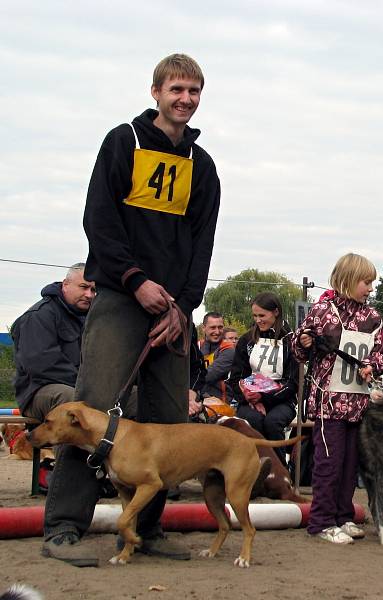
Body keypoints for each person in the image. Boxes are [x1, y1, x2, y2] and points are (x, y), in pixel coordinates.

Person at [42, 54, 221, 567]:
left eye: (193, 92)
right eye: (176, 90)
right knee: (90, 410)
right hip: (122, 298)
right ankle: (63, 527)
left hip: (172, 311)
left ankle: (148, 527)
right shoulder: (124, 141)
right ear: (155, 92)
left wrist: (183, 307)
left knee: (169, 420)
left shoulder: (203, 166)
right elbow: (99, 219)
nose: (184, 99)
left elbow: (202, 243)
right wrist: (134, 281)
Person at [292, 253, 383, 544]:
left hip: (358, 403)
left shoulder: (372, 317)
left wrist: (373, 364)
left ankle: (343, 516)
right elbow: (298, 349)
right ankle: (321, 521)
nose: (370, 289)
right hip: (328, 402)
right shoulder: (322, 311)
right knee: (329, 462)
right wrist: (304, 341)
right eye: (366, 282)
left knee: (350, 464)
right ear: (348, 280)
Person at [11, 263, 96, 420]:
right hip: (39, 391)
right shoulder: (39, 316)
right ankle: (67, 445)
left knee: (136, 397)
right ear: (66, 284)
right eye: (83, 287)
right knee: (71, 400)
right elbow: (43, 365)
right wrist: (88, 386)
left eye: (93, 290)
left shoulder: (94, 319)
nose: (89, 294)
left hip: (84, 387)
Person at [229, 293, 298, 455]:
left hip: (282, 400)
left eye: (262, 315)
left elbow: (292, 383)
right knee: (253, 421)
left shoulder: (291, 341)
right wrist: (248, 396)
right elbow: (235, 377)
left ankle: (280, 471)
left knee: (272, 423)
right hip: (250, 399)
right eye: (255, 316)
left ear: (275, 312)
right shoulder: (246, 340)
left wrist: (264, 397)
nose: (258, 320)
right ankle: (255, 468)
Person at [202, 327, 238, 402]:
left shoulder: (237, 354)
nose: (234, 341)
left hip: (228, 396)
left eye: (236, 338)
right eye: (230, 338)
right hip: (214, 395)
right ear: (222, 339)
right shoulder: (218, 352)